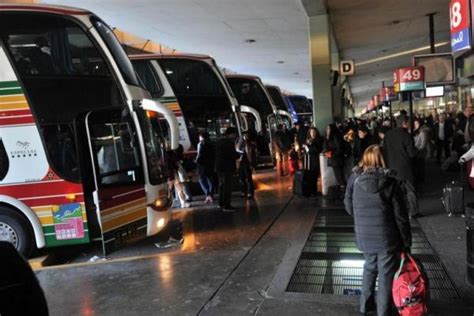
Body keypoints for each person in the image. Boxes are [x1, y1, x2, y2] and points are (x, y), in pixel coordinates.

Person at [344, 145, 411, 316]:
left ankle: (365, 307)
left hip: (364, 237)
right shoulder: (391, 183)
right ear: (383, 159)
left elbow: (348, 205)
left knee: (369, 268)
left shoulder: (354, 179)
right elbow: (401, 217)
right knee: (386, 274)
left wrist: (362, 218)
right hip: (387, 239)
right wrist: (406, 242)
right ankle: (383, 311)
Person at [383, 114, 420, 218]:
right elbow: (411, 153)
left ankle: (397, 210)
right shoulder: (407, 136)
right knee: (410, 191)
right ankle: (413, 212)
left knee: (396, 192)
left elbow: (384, 151)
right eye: (408, 123)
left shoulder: (388, 135)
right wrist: (418, 150)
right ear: (404, 123)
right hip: (406, 169)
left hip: (392, 168)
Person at [215, 127, 239, 211]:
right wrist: (239, 155)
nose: (235, 136)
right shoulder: (229, 142)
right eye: (234, 134)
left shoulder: (219, 141)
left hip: (219, 167)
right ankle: (226, 205)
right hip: (227, 167)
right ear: (231, 134)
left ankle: (221, 203)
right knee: (227, 187)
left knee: (221, 186)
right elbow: (231, 155)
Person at [196, 132, 215, 204]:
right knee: (210, 180)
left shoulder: (200, 144)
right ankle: (211, 195)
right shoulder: (212, 144)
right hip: (210, 164)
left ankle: (208, 194)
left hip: (202, 165)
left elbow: (199, 154)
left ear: (201, 137)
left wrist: (197, 161)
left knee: (201, 180)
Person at [236, 132, 256, 198]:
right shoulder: (239, 142)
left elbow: (252, 155)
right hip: (241, 162)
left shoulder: (250, 144)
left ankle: (249, 192)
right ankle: (244, 192)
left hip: (247, 163)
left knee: (248, 178)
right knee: (242, 178)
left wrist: (252, 165)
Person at [413, 119, 429, 188]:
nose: (415, 125)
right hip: (415, 152)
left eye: (417, 124)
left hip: (420, 153)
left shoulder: (423, 132)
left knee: (421, 167)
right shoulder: (415, 131)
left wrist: (416, 150)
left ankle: (422, 182)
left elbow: (423, 145)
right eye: (414, 124)